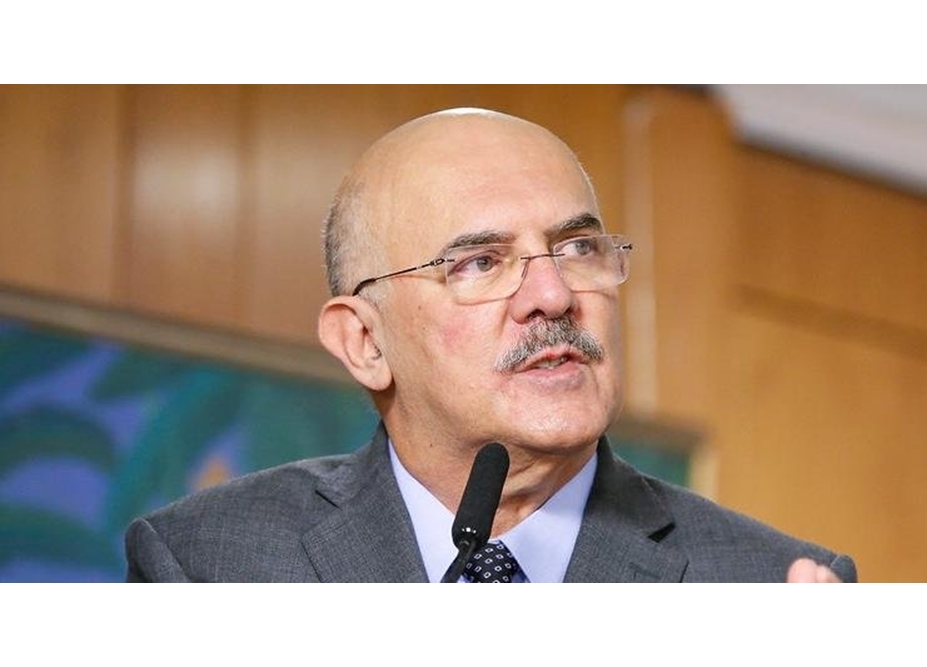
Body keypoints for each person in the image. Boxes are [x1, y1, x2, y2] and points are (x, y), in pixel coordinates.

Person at [125, 107, 856, 583]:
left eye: (577, 248)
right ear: (364, 340)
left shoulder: (770, 585)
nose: (553, 295)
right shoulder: (208, 563)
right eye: (480, 262)